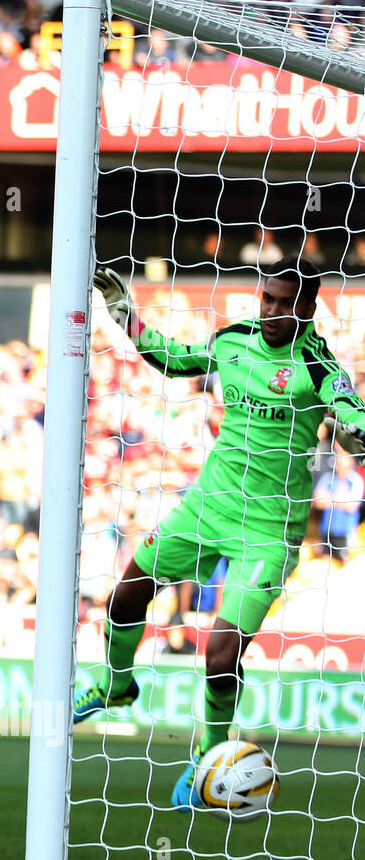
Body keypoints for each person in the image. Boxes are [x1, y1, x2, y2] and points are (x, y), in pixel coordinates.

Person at [76, 258, 365, 813]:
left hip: (266, 531)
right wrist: (123, 315)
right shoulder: (234, 342)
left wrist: (356, 431)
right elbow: (173, 358)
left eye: (286, 303)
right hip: (206, 508)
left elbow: (349, 408)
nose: (274, 311)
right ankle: (117, 684)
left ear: (307, 309)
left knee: (219, 653)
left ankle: (209, 758)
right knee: (124, 596)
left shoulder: (318, 365)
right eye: (267, 300)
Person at [312, 452, 364, 563]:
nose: (340, 466)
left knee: (346, 567)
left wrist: (330, 498)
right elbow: (317, 501)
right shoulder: (327, 478)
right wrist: (340, 499)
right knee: (325, 564)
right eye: (338, 462)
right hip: (326, 533)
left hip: (345, 534)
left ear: (350, 463)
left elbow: (352, 505)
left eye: (344, 462)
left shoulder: (355, 481)